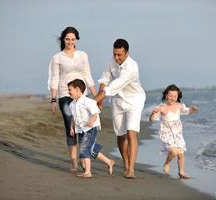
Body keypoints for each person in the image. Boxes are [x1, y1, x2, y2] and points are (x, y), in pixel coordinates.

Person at [48, 27, 97, 173]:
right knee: (71, 129)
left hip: (83, 96)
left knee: (84, 128)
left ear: (76, 39)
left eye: (73, 39)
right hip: (65, 95)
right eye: (67, 39)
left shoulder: (83, 55)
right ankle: (74, 163)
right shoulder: (57, 57)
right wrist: (53, 99)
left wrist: (96, 96)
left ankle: (84, 158)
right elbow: (54, 78)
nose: (70, 41)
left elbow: (88, 76)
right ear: (63, 39)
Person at [95, 39, 146, 178]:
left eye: (119, 55)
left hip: (134, 100)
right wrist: (98, 100)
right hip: (118, 100)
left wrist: (93, 102)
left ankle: (131, 169)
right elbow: (105, 80)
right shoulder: (111, 60)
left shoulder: (132, 66)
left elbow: (114, 85)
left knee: (131, 133)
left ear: (127, 53)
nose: (116, 58)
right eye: (114, 54)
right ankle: (126, 164)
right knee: (120, 135)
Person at [149, 84, 199, 179]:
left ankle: (181, 172)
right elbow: (152, 120)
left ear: (178, 96)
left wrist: (193, 109)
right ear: (166, 95)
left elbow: (186, 111)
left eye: (175, 96)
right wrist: (153, 113)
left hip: (178, 133)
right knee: (174, 152)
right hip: (167, 133)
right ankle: (167, 163)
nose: (172, 98)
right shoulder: (162, 107)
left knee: (181, 154)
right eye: (170, 96)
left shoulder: (179, 106)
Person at [68, 79, 115, 178]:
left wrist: (91, 121)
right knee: (91, 149)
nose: (69, 92)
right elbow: (73, 116)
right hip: (80, 129)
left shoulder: (87, 101)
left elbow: (95, 113)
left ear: (77, 89)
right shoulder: (72, 104)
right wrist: (71, 128)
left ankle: (88, 172)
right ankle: (109, 162)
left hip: (90, 128)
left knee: (85, 148)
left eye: (70, 90)